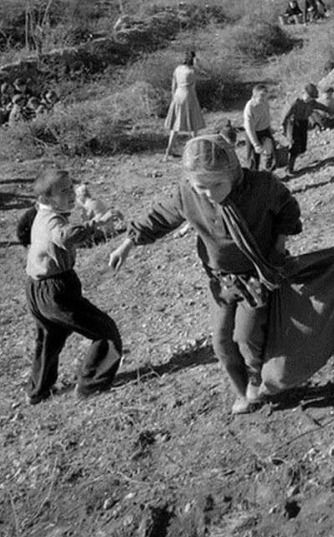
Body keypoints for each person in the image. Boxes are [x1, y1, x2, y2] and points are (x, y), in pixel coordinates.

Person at [108, 135, 302, 415]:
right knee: (222, 343)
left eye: (217, 185)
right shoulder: (188, 194)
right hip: (221, 280)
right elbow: (160, 216)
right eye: (202, 187)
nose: (210, 194)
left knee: (246, 337)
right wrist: (128, 243)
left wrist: (278, 246)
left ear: (234, 173)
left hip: (257, 275)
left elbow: (288, 209)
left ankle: (257, 377)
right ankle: (241, 391)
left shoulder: (261, 186)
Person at [24, 169, 122, 404]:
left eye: (71, 188)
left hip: (36, 288)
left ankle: (38, 391)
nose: (70, 194)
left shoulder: (41, 214)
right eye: (64, 191)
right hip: (56, 290)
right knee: (106, 333)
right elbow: (65, 236)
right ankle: (91, 385)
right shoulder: (53, 222)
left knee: (49, 338)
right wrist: (96, 223)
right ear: (46, 199)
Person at [281, 84, 332, 175]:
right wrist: (283, 127)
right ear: (304, 93)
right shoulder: (296, 102)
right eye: (308, 96)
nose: (309, 99)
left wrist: (330, 111)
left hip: (303, 123)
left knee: (302, 147)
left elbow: (321, 106)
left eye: (312, 98)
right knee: (294, 145)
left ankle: (292, 159)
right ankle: (289, 168)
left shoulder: (312, 103)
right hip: (293, 124)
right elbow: (286, 116)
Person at [164, 51, 207, 159]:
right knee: (193, 126)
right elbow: (207, 76)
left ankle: (167, 152)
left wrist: (174, 98)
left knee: (175, 126)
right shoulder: (192, 71)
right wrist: (199, 65)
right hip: (189, 96)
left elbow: (173, 85)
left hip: (178, 96)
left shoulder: (178, 69)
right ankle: (194, 152)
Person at [243, 84, 275, 171]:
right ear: (254, 96)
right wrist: (256, 144)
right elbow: (249, 128)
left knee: (272, 152)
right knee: (253, 160)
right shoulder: (250, 107)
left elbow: (267, 116)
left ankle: (268, 172)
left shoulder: (265, 102)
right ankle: (253, 179)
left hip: (264, 129)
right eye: (261, 96)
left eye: (265, 95)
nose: (264, 98)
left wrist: (269, 127)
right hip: (253, 133)